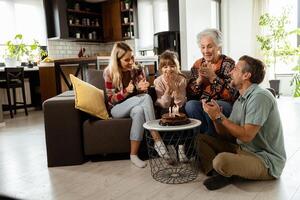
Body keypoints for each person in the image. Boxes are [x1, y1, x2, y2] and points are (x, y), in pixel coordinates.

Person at [196, 55, 286, 190]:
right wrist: (215, 117)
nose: (231, 72)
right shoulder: (240, 99)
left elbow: (246, 136)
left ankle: (224, 170)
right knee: (199, 139)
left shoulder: (260, 96)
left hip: (265, 161)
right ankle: (221, 174)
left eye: (236, 69)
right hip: (243, 149)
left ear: (246, 75)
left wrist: (221, 117)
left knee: (221, 160)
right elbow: (226, 135)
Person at [103, 42, 169, 168]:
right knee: (145, 98)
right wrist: (126, 91)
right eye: (126, 59)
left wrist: (142, 88)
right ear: (117, 60)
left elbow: (143, 92)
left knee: (139, 110)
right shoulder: (109, 73)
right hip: (117, 109)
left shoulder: (137, 69)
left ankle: (133, 155)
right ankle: (157, 139)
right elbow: (111, 99)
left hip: (136, 105)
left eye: (132, 57)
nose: (131, 61)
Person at [185, 28, 238, 136]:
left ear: (218, 46)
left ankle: (212, 140)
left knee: (211, 105)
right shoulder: (197, 64)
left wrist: (213, 77)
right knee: (190, 105)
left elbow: (231, 93)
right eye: (203, 47)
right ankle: (203, 138)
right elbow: (190, 95)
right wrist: (199, 81)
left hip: (223, 103)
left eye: (210, 46)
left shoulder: (228, 63)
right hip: (203, 102)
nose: (206, 51)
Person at [154, 50, 188, 162]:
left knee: (181, 113)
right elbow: (164, 103)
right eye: (165, 67)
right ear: (161, 69)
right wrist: (168, 90)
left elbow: (180, 102)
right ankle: (170, 147)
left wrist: (176, 88)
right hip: (164, 107)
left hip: (179, 107)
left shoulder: (182, 79)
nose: (168, 69)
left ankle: (181, 149)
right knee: (165, 113)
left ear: (177, 66)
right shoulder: (158, 81)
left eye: (172, 66)